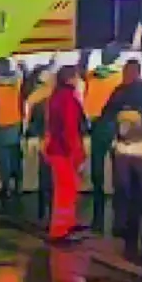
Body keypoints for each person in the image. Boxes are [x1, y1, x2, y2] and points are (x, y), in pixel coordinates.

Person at [100, 59, 142, 268]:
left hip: (127, 153)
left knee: (128, 198)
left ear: (133, 73)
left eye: (127, 72)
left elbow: (106, 117)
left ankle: (131, 244)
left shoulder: (120, 94)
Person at [82, 49, 125, 233]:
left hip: (95, 122)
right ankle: (118, 195)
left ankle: (98, 193)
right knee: (117, 161)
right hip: (113, 122)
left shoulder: (93, 75)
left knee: (97, 161)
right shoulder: (121, 76)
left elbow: (81, 74)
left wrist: (84, 55)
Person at [43, 65, 87, 242]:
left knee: (67, 189)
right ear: (70, 79)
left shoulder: (55, 96)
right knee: (65, 191)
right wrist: (77, 152)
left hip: (56, 149)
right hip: (64, 151)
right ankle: (60, 230)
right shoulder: (68, 99)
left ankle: (68, 223)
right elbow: (70, 129)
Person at [0, 58, 26, 205]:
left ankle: (6, 187)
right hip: (16, 124)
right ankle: (19, 185)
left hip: (0, 126)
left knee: (3, 159)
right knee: (15, 156)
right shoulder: (17, 84)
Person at [24, 66, 55, 222]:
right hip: (58, 142)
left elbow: (30, 121)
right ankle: (54, 211)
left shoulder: (35, 97)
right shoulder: (58, 95)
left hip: (44, 141)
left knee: (44, 176)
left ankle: (42, 211)